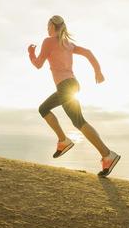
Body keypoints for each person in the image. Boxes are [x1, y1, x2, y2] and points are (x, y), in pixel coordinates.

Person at [27, 15, 121, 177]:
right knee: (59, 114)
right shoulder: (68, 44)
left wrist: (31, 53)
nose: (46, 29)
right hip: (72, 85)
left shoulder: (48, 41)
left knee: (70, 118)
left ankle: (103, 153)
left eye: (48, 26)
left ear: (52, 27)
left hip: (65, 86)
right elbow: (88, 53)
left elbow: (38, 65)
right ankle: (101, 153)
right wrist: (98, 71)